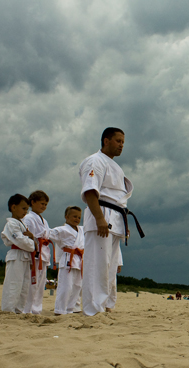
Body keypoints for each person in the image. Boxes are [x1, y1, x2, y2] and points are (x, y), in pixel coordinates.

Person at [79, 127, 144, 316]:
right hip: (101, 214)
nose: (121, 145)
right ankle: (92, 309)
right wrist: (99, 218)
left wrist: (123, 224)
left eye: (123, 142)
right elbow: (90, 191)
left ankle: (106, 305)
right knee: (97, 265)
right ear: (106, 141)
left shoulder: (115, 166)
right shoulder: (95, 161)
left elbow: (119, 199)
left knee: (110, 267)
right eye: (118, 141)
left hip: (116, 217)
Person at [1, 194, 36, 313]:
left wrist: (31, 238)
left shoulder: (22, 224)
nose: (25, 212)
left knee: (24, 286)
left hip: (26, 256)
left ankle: (19, 310)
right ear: (13, 207)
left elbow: (27, 240)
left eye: (27, 209)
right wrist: (32, 243)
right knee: (13, 284)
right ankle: (8, 310)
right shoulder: (11, 224)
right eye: (23, 208)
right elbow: (21, 240)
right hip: (16, 255)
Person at [49, 206, 85, 315]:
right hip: (68, 259)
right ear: (67, 217)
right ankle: (60, 310)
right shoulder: (62, 230)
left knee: (77, 286)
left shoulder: (82, 230)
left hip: (79, 260)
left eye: (79, 217)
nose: (77, 219)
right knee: (66, 286)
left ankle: (70, 309)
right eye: (74, 216)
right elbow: (47, 233)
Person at [22, 190, 53, 314]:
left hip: (44, 254)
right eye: (42, 203)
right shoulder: (28, 218)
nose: (44, 206)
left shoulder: (44, 220)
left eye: (45, 204)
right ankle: (26, 309)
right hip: (34, 254)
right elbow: (27, 235)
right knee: (32, 283)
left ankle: (36, 309)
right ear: (33, 202)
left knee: (41, 284)